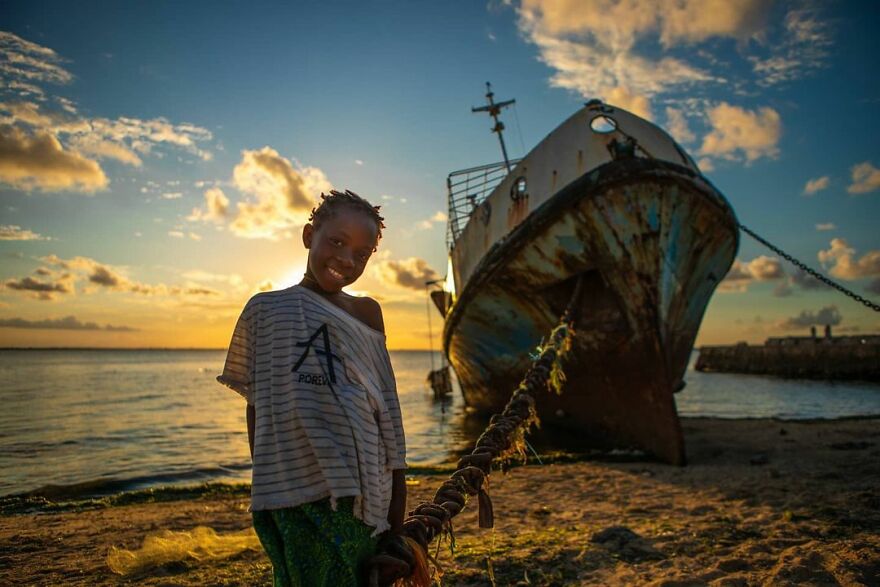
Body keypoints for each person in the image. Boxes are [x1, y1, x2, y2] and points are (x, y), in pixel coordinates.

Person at [218, 189, 407, 586]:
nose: (346, 260)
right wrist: (269, 480)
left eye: (362, 253)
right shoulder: (264, 310)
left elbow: (385, 409)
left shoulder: (368, 313)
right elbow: (259, 404)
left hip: (364, 492)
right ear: (309, 235)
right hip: (293, 491)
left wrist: (396, 516)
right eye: (336, 242)